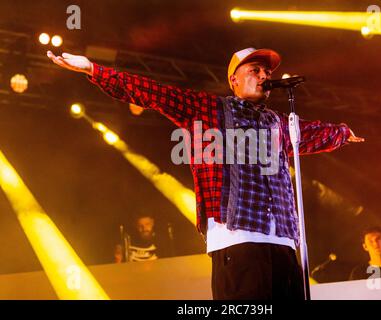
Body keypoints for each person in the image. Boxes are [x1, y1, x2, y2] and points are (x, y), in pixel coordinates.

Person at [47, 47, 364, 299]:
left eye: (267, 70)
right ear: (234, 80)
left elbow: (311, 133)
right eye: (254, 70)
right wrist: (93, 69)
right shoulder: (208, 110)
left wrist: (342, 131)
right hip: (237, 237)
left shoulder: (280, 122)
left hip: (281, 238)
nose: (265, 75)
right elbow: (152, 92)